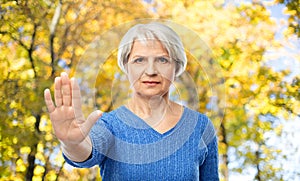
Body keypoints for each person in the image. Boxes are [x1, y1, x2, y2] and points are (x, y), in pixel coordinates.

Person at [44, 22, 219, 180]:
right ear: (126, 66)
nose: (150, 70)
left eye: (162, 60)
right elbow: (86, 150)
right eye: (139, 60)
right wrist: (71, 144)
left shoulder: (201, 126)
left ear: (177, 66)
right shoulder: (109, 125)